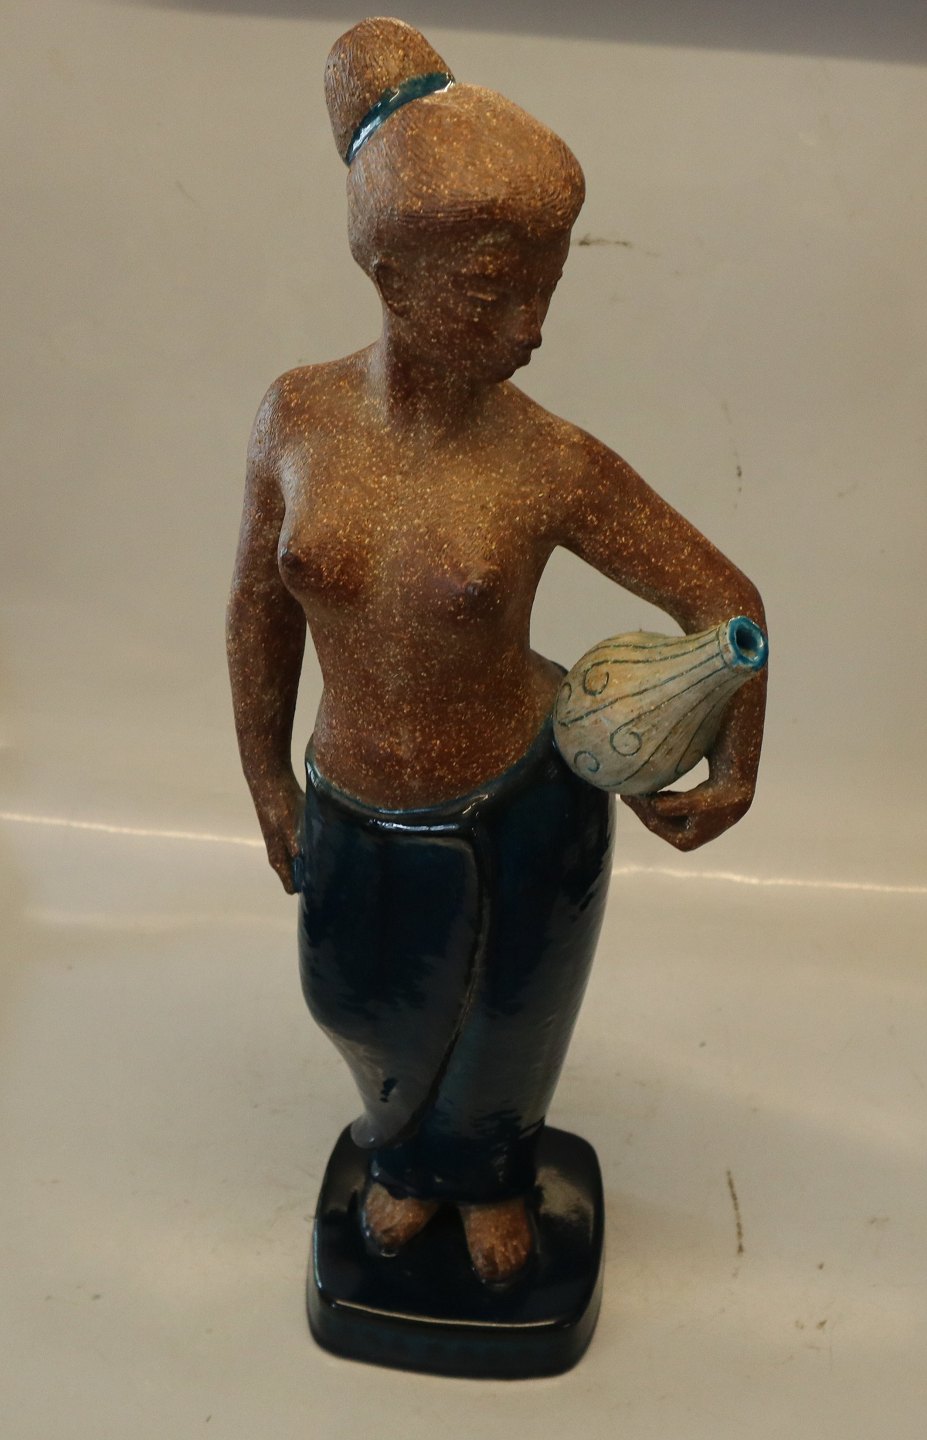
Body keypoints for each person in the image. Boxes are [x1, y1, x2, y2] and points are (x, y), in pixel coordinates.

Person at [227, 18, 766, 1287]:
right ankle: (407, 1156)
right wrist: (267, 782)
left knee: (509, 1028)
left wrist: (735, 769)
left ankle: (482, 1176)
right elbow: (258, 611)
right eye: (493, 286)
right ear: (389, 268)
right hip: (353, 798)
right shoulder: (296, 417)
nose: (531, 327)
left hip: (524, 801)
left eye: (549, 287)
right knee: (356, 1000)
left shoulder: (549, 461)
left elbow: (727, 605)